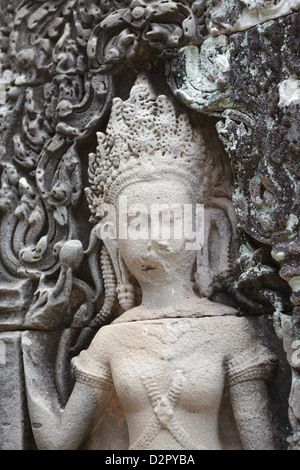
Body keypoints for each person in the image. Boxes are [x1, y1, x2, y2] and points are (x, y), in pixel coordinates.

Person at [23, 80, 277, 450]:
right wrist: (31, 348)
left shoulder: (229, 334)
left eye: (170, 219)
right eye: (137, 222)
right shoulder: (111, 340)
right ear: (111, 236)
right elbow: (58, 443)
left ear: (203, 227)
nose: (154, 238)